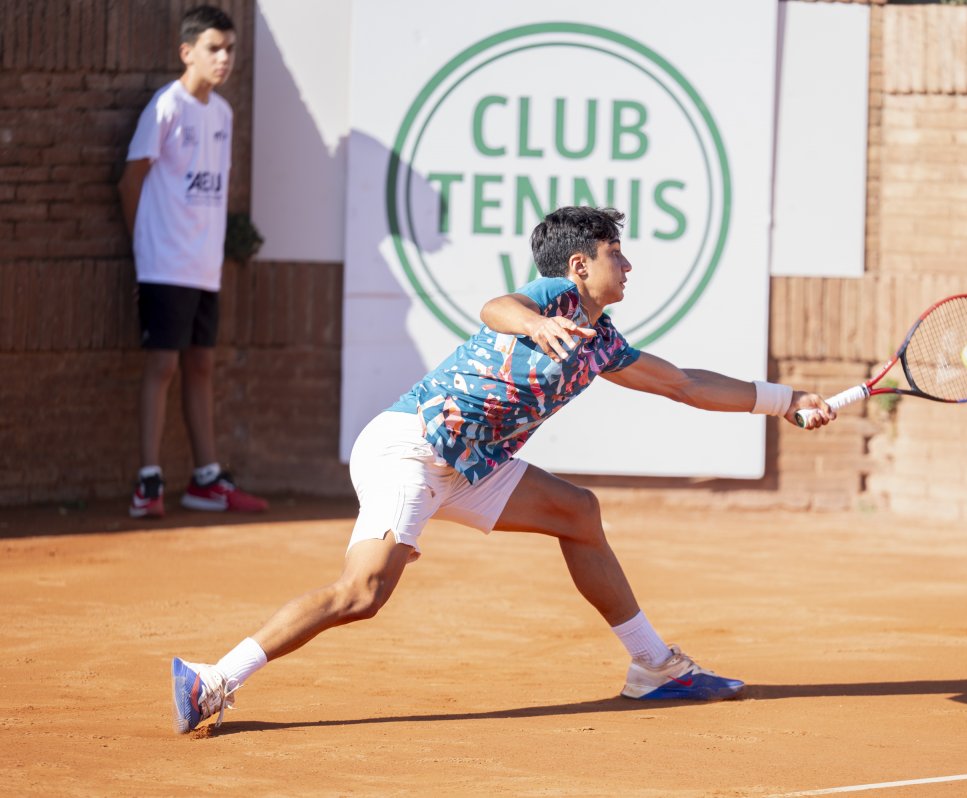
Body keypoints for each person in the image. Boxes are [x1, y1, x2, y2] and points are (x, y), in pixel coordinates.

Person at [169, 206, 833, 733]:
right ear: (580, 265)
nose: (628, 265)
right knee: (362, 594)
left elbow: (684, 384)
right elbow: (497, 307)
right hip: (415, 444)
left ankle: (653, 666)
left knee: (578, 512)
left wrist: (787, 401)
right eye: (616, 253)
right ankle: (213, 679)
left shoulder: (601, 342)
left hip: (472, 463)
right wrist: (535, 326)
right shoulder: (554, 299)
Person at [117, 6, 266, 518]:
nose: (224, 58)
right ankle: (148, 481)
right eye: (213, 48)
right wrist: (143, 252)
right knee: (162, 365)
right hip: (162, 263)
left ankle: (206, 479)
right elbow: (130, 181)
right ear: (187, 52)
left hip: (205, 268)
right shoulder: (166, 106)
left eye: (230, 49)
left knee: (201, 365)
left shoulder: (222, 113)